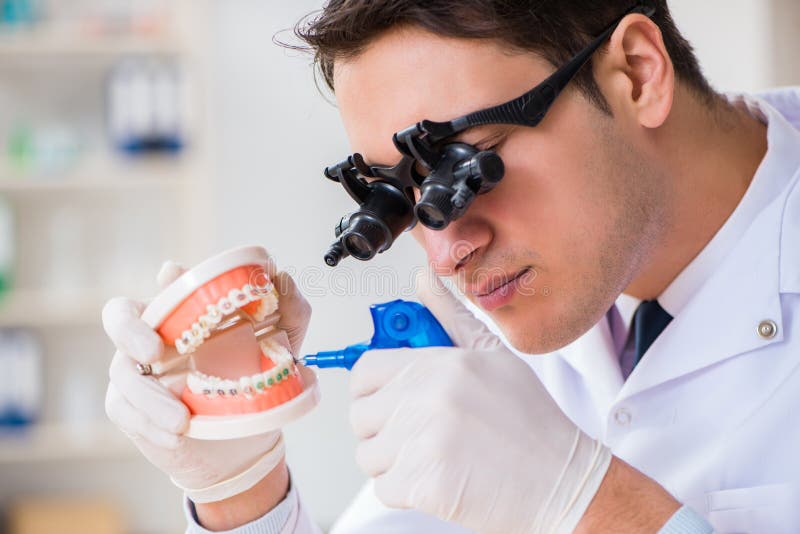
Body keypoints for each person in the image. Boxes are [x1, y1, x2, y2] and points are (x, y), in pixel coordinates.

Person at [101, 0, 800, 532]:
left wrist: (597, 505)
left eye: (469, 167)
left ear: (638, 75)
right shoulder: (500, 313)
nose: (445, 251)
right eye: (400, 199)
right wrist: (242, 490)